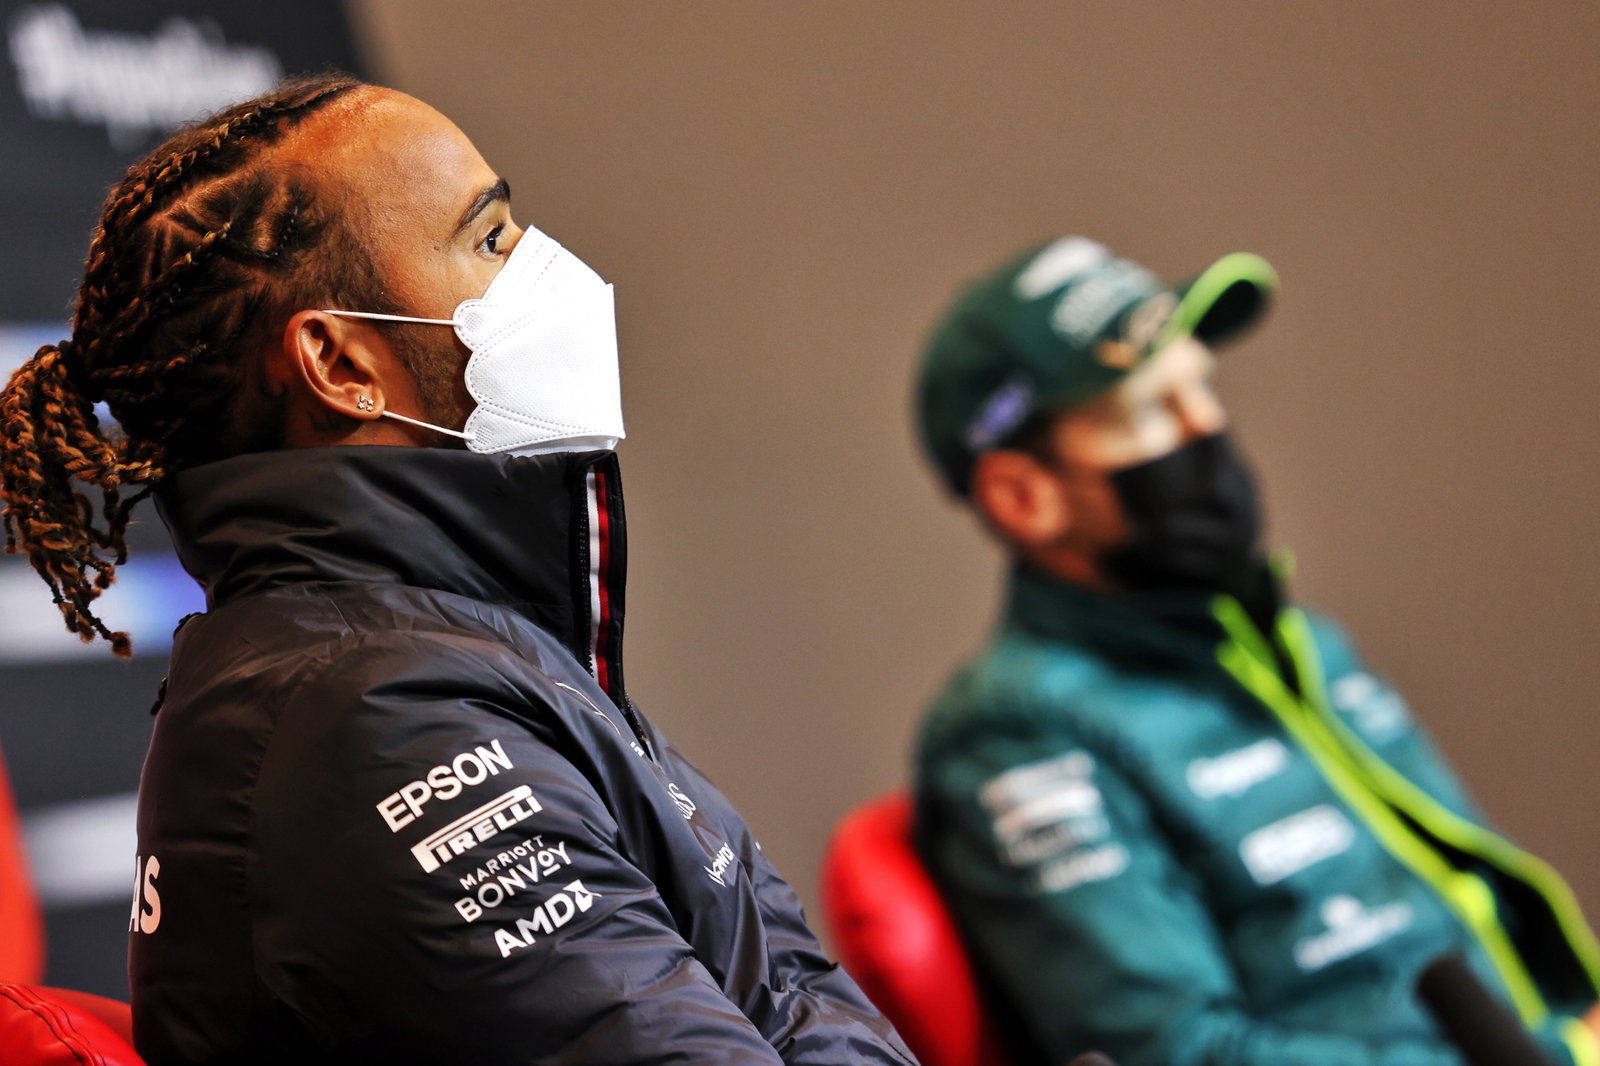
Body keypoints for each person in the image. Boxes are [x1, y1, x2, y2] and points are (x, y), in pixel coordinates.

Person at [0, 74, 913, 1066]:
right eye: (489, 238)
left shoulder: (445, 652)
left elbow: (786, 989)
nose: (545, 267)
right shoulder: (378, 720)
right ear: (341, 366)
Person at [910, 236, 1600, 1066]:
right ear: (1024, 497)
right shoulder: (1017, 733)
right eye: (1149, 411)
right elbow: (1181, 1053)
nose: (1206, 427)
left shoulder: (1302, 645)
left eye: (1202, 385)